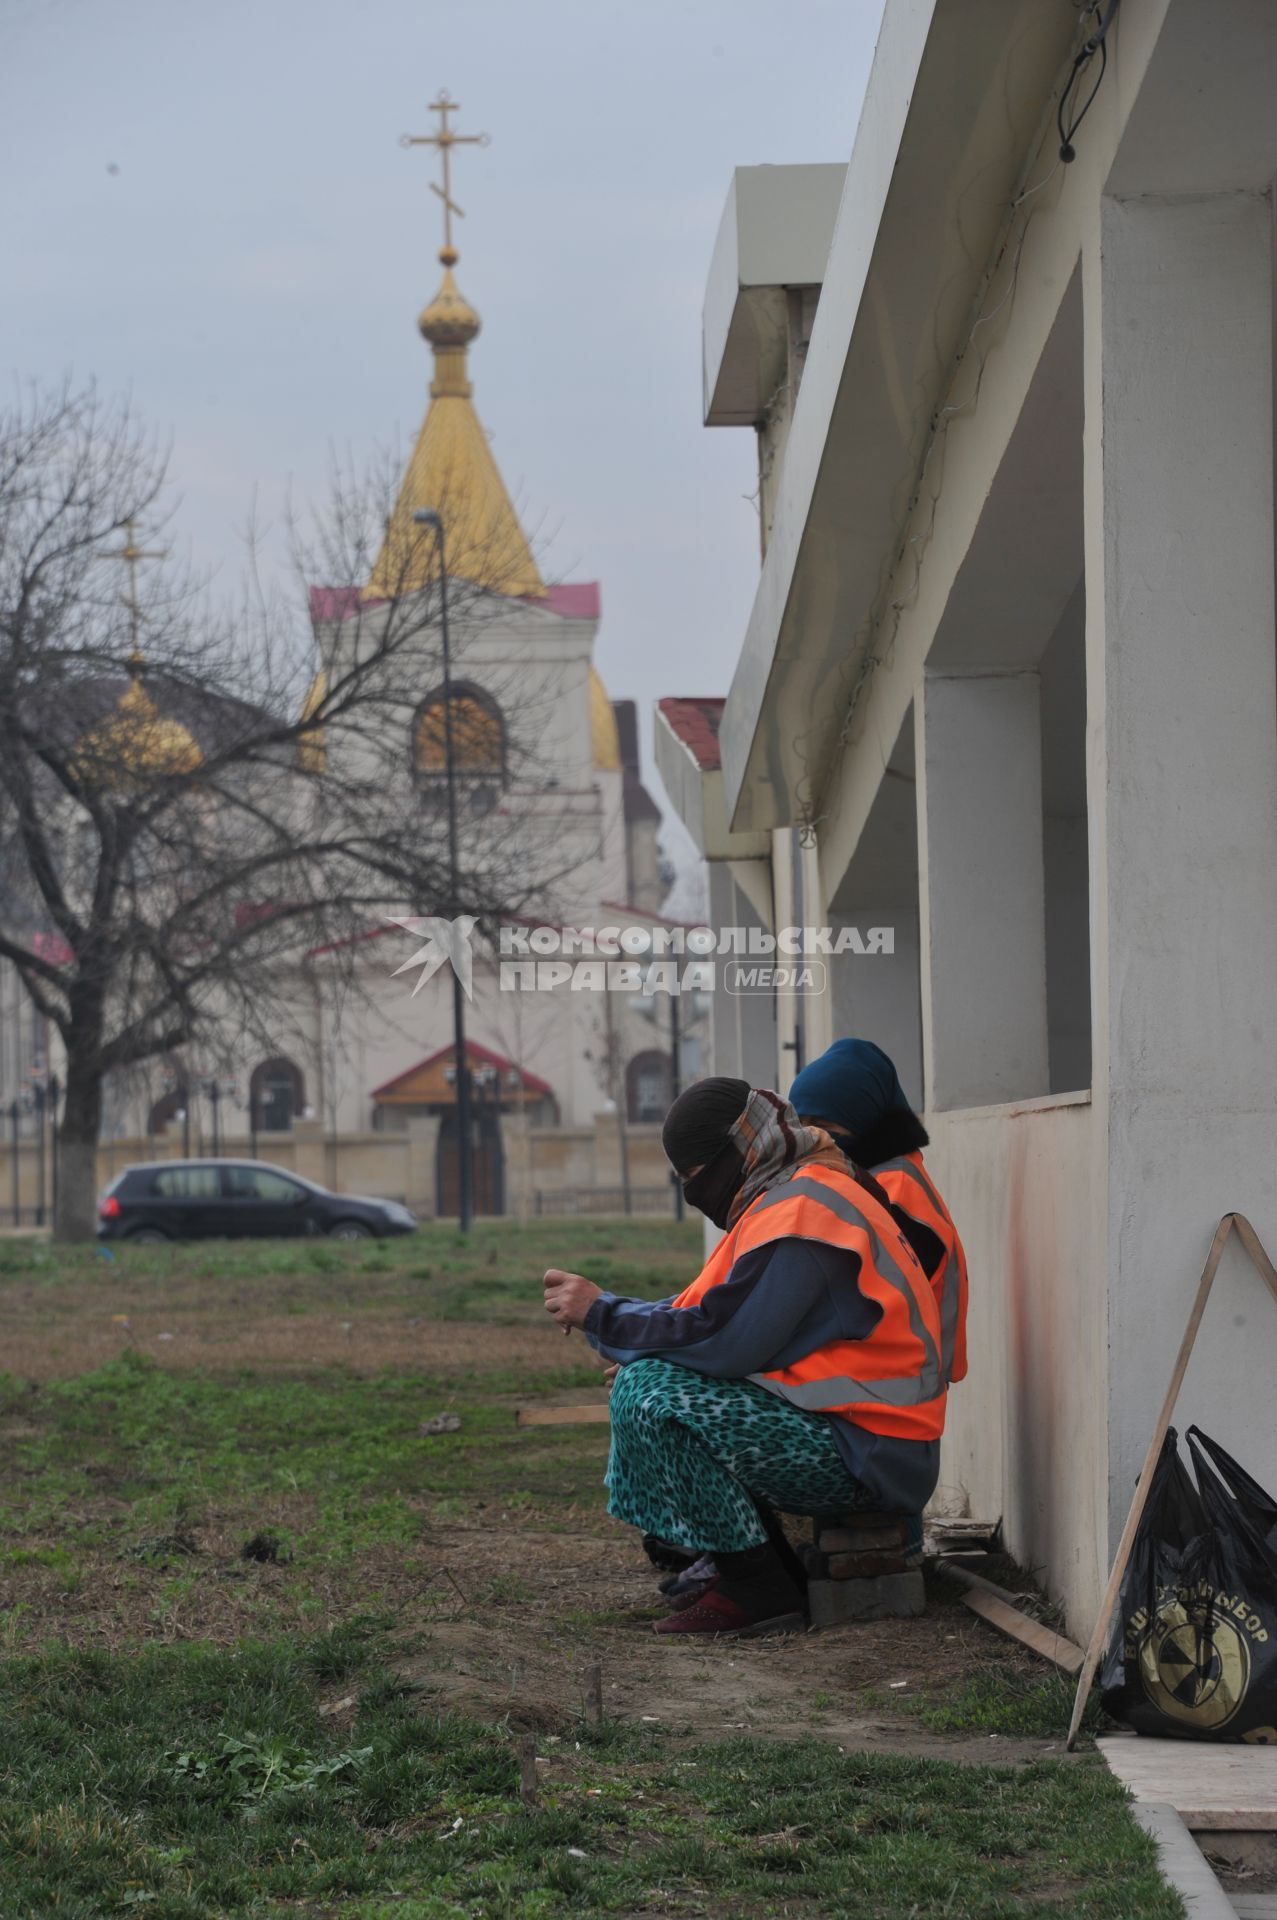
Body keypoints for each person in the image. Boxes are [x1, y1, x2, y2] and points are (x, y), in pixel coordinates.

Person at [542, 1078, 946, 1638]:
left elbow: (727, 1338)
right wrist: (625, 1329)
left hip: (872, 1455)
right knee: (649, 1379)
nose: (694, 1191)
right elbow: (706, 1311)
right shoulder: (784, 1197)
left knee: (653, 1395)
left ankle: (755, 1587)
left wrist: (603, 1315)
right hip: (856, 1437)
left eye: (695, 1176)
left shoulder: (807, 1210)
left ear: (740, 1149)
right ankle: (756, 1567)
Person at [788, 1039, 968, 1389]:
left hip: (887, 1396)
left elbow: (841, 1299)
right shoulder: (861, 1177)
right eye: (802, 1125)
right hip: (871, 1387)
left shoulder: (893, 1192)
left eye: (826, 1126)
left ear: (863, 1120)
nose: (813, 1139)